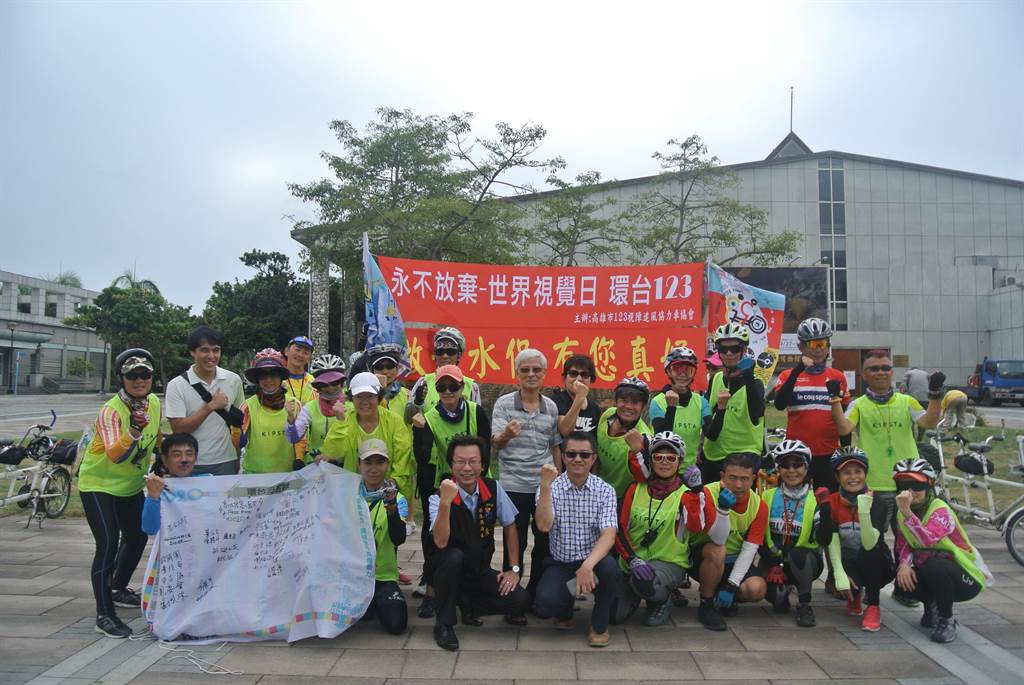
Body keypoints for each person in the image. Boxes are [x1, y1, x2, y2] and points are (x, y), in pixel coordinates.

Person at [79, 348, 162, 638]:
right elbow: (115, 454)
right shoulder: (112, 411)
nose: (139, 380)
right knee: (108, 544)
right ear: (121, 378)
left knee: (138, 535)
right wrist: (135, 432)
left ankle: (116, 588)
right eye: (132, 375)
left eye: (145, 375)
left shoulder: (152, 403)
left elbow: (157, 438)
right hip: (98, 485)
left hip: (128, 486)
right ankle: (104, 614)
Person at [615, 432, 728, 626]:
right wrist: (632, 558)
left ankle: (662, 599)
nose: (664, 462)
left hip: (669, 563)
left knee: (642, 584)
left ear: (680, 461)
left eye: (671, 457)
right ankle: (635, 596)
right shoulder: (635, 488)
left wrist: (698, 491)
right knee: (614, 616)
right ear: (650, 460)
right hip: (633, 563)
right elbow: (619, 528)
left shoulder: (686, 494)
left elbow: (697, 525)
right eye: (658, 457)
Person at [427, 435, 527, 651]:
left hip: (479, 569)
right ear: (451, 465)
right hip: (447, 569)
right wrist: (446, 503)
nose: (467, 468)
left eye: (473, 461)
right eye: (460, 461)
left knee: (519, 600)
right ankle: (444, 623)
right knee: (453, 557)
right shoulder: (438, 496)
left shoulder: (492, 488)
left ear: (483, 465)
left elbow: (511, 526)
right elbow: (440, 541)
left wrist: (514, 569)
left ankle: (469, 604)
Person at [830, 350, 942, 534]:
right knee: (874, 543)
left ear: (892, 372)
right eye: (874, 369)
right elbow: (844, 429)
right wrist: (834, 400)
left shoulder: (907, 401)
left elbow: (929, 423)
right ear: (864, 375)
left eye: (885, 368)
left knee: (911, 540)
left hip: (908, 482)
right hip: (874, 485)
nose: (880, 372)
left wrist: (936, 394)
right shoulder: (858, 404)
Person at [412, 364, 492, 617]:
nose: (448, 392)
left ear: (462, 387)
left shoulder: (475, 411)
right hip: (446, 482)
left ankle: (473, 590)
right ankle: (432, 590)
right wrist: (419, 430)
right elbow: (423, 457)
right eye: (442, 387)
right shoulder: (431, 417)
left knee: (482, 538)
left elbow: (487, 450)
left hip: (478, 482)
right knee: (436, 539)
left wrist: (473, 479)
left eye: (453, 386)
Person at [534, 431, 620, 647]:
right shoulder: (549, 487)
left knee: (610, 570)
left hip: (594, 562)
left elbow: (609, 534)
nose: (578, 459)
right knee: (545, 604)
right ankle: (566, 608)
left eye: (584, 454)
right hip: (561, 562)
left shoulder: (605, 490)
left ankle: (599, 624)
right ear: (562, 457)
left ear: (593, 458)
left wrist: (587, 566)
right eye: (571, 454)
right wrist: (544, 486)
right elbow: (543, 526)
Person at [892, 458, 991, 642]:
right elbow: (904, 544)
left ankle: (947, 620)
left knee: (933, 565)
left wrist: (907, 513)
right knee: (900, 579)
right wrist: (904, 565)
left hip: (965, 577)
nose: (910, 491)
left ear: (929, 484)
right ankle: (931, 606)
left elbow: (926, 540)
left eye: (917, 484)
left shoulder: (940, 509)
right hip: (936, 570)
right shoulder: (902, 512)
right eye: (904, 484)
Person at [491, 348, 562, 602]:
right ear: (517, 374)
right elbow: (496, 444)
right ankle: (512, 594)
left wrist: (558, 483)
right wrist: (507, 434)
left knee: (544, 541)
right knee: (515, 542)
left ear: (544, 374)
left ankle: (537, 591)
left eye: (536, 370)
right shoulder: (504, 404)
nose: (531, 375)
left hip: (542, 487)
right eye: (525, 370)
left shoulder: (551, 407)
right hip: (513, 484)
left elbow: (554, 446)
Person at [816, 447, 895, 632]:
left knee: (870, 553)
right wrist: (839, 574)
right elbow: (827, 540)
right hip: (848, 558)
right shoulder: (832, 501)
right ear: (837, 477)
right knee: (843, 567)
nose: (853, 477)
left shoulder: (878, 502)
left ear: (865, 474)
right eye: (846, 472)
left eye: (858, 471)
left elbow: (869, 543)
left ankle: (873, 606)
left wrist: (864, 511)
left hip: (877, 562)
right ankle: (855, 593)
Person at [770, 318, 850, 492]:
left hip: (828, 454)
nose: (818, 349)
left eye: (822, 343)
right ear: (801, 347)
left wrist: (846, 454)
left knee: (828, 505)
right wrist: (798, 369)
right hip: (797, 456)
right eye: (813, 344)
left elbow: (842, 423)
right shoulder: (787, 375)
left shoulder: (838, 377)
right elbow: (779, 404)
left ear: (828, 345)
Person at [688, 452, 768, 624]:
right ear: (722, 476)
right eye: (732, 478)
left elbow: (750, 549)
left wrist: (732, 586)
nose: (738, 485)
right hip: (703, 557)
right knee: (718, 550)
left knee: (757, 589)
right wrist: (723, 509)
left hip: (733, 560)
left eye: (745, 479)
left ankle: (721, 596)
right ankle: (706, 604)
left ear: (753, 478)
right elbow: (718, 538)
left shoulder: (759, 505)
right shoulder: (707, 493)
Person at [320, 372, 414, 505]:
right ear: (352, 398)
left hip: (388, 495)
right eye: (359, 397)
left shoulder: (394, 422)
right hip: (352, 495)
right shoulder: (345, 421)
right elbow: (333, 453)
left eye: (370, 396)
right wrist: (340, 423)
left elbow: (403, 458)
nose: (364, 402)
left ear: (378, 397)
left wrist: (393, 484)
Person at [759, 439, 823, 628]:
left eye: (798, 464)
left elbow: (824, 539)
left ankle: (804, 605)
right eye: (785, 465)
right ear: (779, 468)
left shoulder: (815, 498)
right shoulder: (768, 496)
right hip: (774, 560)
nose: (791, 470)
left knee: (798, 555)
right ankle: (782, 595)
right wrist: (771, 562)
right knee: (775, 598)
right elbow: (759, 536)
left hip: (805, 561)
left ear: (807, 467)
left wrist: (825, 514)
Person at [164, 326, 245, 476]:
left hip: (225, 461)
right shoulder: (176, 385)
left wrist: (237, 455)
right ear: (192, 352)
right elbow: (178, 429)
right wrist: (210, 406)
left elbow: (239, 422)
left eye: (216, 350)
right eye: (204, 350)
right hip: (190, 463)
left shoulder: (233, 380)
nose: (211, 355)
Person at [356, 439, 410, 635]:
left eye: (380, 462)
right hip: (351, 576)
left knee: (397, 624)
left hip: (382, 576)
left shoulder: (398, 499)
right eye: (368, 462)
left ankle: (376, 603)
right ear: (358, 464)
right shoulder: (347, 497)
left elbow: (399, 539)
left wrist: (392, 508)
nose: (373, 469)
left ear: (387, 464)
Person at [702, 324, 766, 485]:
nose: (729, 353)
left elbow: (756, 413)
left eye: (735, 348)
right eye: (723, 349)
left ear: (743, 350)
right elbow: (707, 417)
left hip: (744, 456)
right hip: (714, 455)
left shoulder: (755, 382)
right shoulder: (715, 379)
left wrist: (748, 378)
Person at [240, 349, 303, 474]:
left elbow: (301, 439)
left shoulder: (295, 405)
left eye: (274, 374)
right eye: (263, 375)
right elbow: (239, 442)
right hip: (256, 477)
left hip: (287, 477)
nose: (268, 380)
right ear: (257, 379)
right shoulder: (247, 406)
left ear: (280, 377)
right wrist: (236, 428)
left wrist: (299, 458)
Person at [649, 347, 710, 470]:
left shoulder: (701, 401)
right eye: (677, 369)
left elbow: (711, 435)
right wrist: (671, 407)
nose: (683, 374)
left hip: (690, 471)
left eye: (689, 370)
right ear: (668, 372)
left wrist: (721, 409)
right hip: (664, 469)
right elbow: (663, 438)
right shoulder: (657, 401)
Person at [406, 327, 481, 423]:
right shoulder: (423, 382)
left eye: (450, 352)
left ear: (459, 355)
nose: (445, 356)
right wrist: (417, 403)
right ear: (435, 356)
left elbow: (477, 422)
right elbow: (407, 420)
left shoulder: (471, 386)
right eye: (440, 352)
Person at [596, 377, 654, 499]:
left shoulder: (645, 437)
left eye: (635, 402)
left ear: (643, 407)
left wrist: (637, 452)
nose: (628, 406)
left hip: (620, 498)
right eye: (624, 400)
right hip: (596, 488)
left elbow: (646, 477)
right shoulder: (607, 415)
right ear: (615, 401)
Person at [141, 433, 204, 535]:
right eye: (176, 455)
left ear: (195, 457)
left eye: (189, 454)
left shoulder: (207, 482)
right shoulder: (158, 488)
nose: (184, 459)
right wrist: (153, 497)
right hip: (173, 547)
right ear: (165, 460)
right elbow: (150, 529)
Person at [289, 354, 347, 461]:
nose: (330, 388)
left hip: (345, 468)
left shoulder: (354, 405)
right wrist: (290, 421)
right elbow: (294, 438)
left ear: (342, 382)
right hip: (315, 467)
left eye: (335, 383)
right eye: (323, 384)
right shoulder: (310, 408)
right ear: (317, 386)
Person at [549, 354, 602, 437]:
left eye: (584, 374)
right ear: (564, 378)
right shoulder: (555, 401)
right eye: (573, 373)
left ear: (591, 380)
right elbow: (566, 431)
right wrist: (579, 397)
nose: (579, 379)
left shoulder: (595, 408)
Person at [363, 343, 411, 423]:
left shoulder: (408, 395)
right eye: (379, 367)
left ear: (397, 369)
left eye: (390, 366)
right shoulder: (362, 395)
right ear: (372, 371)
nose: (385, 371)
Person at [282, 336, 318, 405]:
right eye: (297, 350)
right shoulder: (277, 380)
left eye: (306, 353)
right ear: (286, 351)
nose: (300, 355)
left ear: (309, 358)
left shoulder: (313, 383)